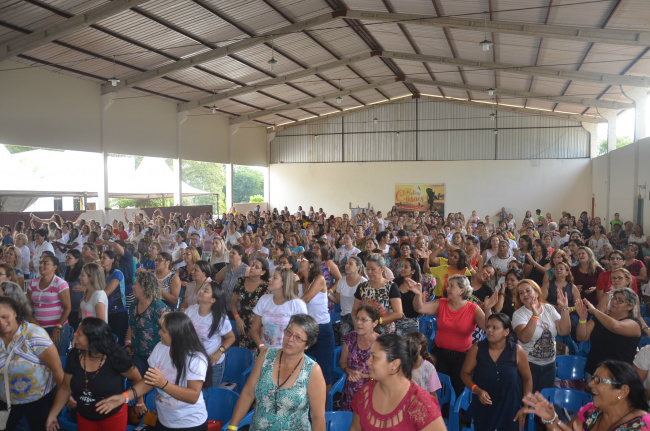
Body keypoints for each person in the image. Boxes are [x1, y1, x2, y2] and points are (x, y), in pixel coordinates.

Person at [96, 312, 210, 431]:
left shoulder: (196, 358)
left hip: (189, 424)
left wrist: (164, 384)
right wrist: (124, 397)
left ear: (176, 334)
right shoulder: (161, 347)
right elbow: (148, 381)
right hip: (164, 420)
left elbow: (193, 396)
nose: (159, 332)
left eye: (164, 331)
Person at [228, 314, 326, 431]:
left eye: (298, 338)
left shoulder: (312, 370)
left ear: (307, 345)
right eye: (289, 332)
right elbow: (248, 393)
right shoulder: (266, 356)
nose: (290, 339)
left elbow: (317, 417)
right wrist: (232, 426)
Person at [45, 317, 144, 431]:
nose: (75, 336)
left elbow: (137, 379)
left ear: (92, 339)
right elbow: (65, 388)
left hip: (113, 417)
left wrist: (139, 402)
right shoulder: (74, 355)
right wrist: (52, 415)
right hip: (85, 416)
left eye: (80, 334)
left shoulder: (116, 357)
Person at [408, 274, 492, 396]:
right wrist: (417, 294)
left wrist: (488, 309)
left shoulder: (473, 308)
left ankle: (453, 414)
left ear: (462, 290)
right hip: (440, 354)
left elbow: (488, 327)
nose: (448, 288)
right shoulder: (442, 303)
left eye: (452, 286)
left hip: (462, 357)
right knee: (436, 390)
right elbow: (420, 308)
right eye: (448, 285)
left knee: (457, 389)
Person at [349, 333, 445, 431]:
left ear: (395, 364)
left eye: (374, 357)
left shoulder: (421, 404)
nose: (367, 362)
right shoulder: (365, 393)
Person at [524, 360, 650, 431]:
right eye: (592, 378)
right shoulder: (591, 411)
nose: (590, 384)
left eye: (597, 380)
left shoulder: (642, 425)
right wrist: (551, 419)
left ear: (623, 391)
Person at [460, 313, 532, 431]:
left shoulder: (517, 351)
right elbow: (464, 373)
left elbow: (527, 379)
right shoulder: (478, 348)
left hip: (510, 409)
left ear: (506, 332)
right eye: (488, 327)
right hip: (484, 408)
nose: (489, 330)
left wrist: (525, 407)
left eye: (495, 328)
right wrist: (477, 390)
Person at [0, 296, 62, 430]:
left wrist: (64, 397)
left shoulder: (34, 334)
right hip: (5, 401)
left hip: (38, 400)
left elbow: (56, 367)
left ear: (15, 313)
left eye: (5, 316)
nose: (1, 322)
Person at [513, 279, 571, 392]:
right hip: (528, 364)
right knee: (528, 401)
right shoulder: (519, 314)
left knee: (544, 401)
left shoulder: (549, 309)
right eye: (521, 293)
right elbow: (524, 338)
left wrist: (564, 308)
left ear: (536, 292)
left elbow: (564, 331)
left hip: (549, 364)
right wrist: (535, 315)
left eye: (528, 291)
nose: (525, 294)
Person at [576, 286, 642, 377]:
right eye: (614, 298)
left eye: (620, 300)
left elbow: (615, 326)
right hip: (595, 371)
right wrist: (582, 318)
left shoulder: (634, 324)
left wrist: (595, 311)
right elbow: (581, 337)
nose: (614, 301)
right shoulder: (600, 318)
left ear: (630, 306)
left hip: (618, 375)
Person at [296, 252, 335, 388]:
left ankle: (323, 408)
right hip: (306, 329)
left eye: (302, 259)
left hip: (322, 329)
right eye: (298, 259)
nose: (299, 261)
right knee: (300, 368)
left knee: (325, 373)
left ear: (311, 264)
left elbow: (305, 299)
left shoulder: (319, 279)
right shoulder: (299, 283)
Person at [186, 282, 235, 388]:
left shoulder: (220, 318)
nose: (201, 291)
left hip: (212, 364)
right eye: (202, 289)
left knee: (209, 395)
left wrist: (219, 351)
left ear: (213, 300)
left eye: (206, 290)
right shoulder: (191, 310)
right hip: (191, 361)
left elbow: (231, 337)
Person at [126, 271, 171, 377]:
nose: (132, 287)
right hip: (137, 355)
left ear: (144, 287)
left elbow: (170, 331)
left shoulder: (158, 307)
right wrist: (128, 344)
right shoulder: (134, 305)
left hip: (156, 358)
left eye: (135, 284)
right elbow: (131, 326)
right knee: (138, 382)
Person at [251, 267, 308, 350]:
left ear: (284, 282)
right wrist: (261, 347)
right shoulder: (264, 299)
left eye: (274, 277)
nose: (270, 279)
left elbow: (304, 334)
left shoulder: (297, 304)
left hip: (288, 353)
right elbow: (254, 329)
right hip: (266, 352)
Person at [27, 253, 72, 356]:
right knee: (40, 358)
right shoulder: (33, 283)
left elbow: (67, 307)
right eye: (41, 263)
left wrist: (58, 327)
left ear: (55, 267)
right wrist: (32, 320)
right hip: (39, 327)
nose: (41, 265)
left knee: (56, 358)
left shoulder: (60, 283)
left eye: (46, 263)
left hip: (56, 328)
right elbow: (28, 306)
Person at [339, 303, 380, 411]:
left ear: (374, 323)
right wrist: (350, 371)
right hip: (350, 391)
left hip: (373, 392)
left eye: (363, 320)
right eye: (357, 319)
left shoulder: (381, 343)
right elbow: (342, 363)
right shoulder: (350, 338)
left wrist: (363, 376)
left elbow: (383, 374)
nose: (358, 323)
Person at [351, 253, 403, 334]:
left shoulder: (391, 286)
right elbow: (355, 309)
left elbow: (399, 313)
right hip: (366, 332)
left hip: (385, 333)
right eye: (367, 269)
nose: (369, 272)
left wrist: (379, 321)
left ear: (382, 269)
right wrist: (356, 323)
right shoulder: (362, 287)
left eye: (373, 269)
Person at [231, 257, 269, 351]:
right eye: (252, 265)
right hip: (242, 325)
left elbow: (268, 310)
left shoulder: (266, 286)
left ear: (263, 272)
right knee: (242, 354)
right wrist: (237, 318)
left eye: (257, 267)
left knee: (256, 355)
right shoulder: (241, 281)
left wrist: (263, 326)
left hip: (258, 327)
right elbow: (233, 303)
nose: (252, 268)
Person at [329, 256, 367, 337]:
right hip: (344, 317)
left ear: (358, 267)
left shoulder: (364, 282)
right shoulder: (341, 281)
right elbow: (336, 300)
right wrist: (328, 294)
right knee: (346, 341)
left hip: (359, 317)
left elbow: (366, 304)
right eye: (346, 263)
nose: (347, 266)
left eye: (350, 264)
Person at [100, 250, 128, 345]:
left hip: (118, 313)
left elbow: (107, 292)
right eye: (101, 257)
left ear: (112, 260)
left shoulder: (117, 273)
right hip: (106, 312)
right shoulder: (101, 274)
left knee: (117, 344)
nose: (101, 260)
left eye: (104, 258)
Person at [214, 245, 249, 319]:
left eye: (233, 253)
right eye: (230, 253)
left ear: (240, 256)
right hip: (224, 306)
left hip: (238, 308)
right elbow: (216, 280)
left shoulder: (246, 269)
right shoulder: (226, 268)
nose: (230, 254)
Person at [404, 331, 441, 400]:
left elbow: (433, 395)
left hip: (422, 405)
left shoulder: (429, 368)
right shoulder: (402, 365)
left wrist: (435, 410)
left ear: (419, 347)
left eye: (408, 344)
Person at [395, 257, 423, 336]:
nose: (402, 269)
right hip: (395, 321)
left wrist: (418, 295)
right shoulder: (395, 283)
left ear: (413, 271)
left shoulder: (418, 287)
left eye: (406, 267)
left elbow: (422, 311)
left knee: (410, 347)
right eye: (402, 266)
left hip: (411, 323)